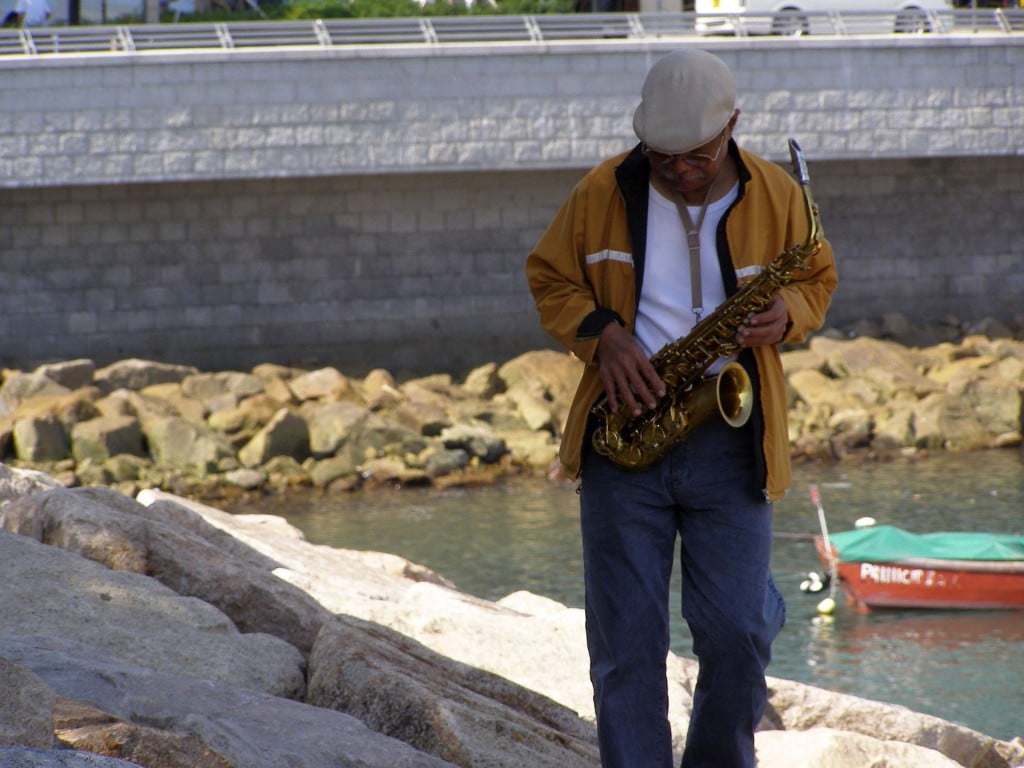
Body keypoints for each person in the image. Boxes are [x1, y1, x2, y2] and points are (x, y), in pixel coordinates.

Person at [525, 48, 837, 768]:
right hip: (624, 436)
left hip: (734, 439)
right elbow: (549, 278)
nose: (679, 169)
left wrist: (787, 312)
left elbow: (817, 278)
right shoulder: (601, 189)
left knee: (737, 632)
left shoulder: (780, 194)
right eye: (663, 155)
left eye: (696, 154)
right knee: (626, 645)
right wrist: (603, 336)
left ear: (734, 124)